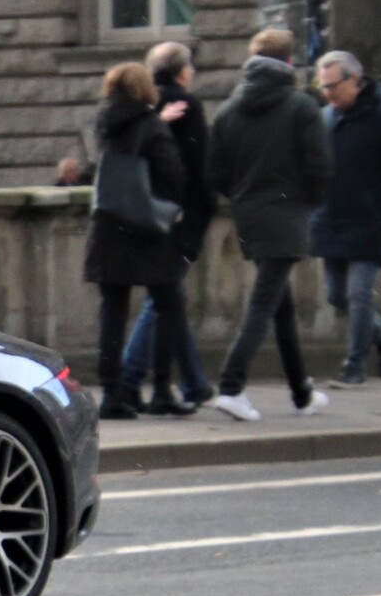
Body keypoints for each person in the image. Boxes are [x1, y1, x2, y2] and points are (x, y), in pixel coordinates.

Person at [206, 31, 332, 422]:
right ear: (289, 62)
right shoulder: (301, 107)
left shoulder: (229, 111)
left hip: (249, 214)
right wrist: (307, 199)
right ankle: (230, 386)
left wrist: (244, 194)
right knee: (263, 305)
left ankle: (301, 393)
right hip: (287, 213)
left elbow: (215, 173)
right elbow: (320, 167)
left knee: (279, 306)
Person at [82, 63, 191, 421]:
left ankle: (112, 393)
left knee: (112, 313)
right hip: (146, 229)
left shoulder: (103, 124)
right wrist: (171, 208)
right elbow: (172, 173)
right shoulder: (151, 124)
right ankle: (161, 388)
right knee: (169, 304)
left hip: (110, 226)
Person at [309, 49, 381, 385]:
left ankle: (354, 366)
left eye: (333, 86)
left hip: (369, 218)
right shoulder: (326, 117)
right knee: (335, 295)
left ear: (354, 80)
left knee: (357, 294)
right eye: (322, 87)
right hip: (330, 217)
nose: (327, 94)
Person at [121, 40, 213, 411]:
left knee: (170, 300)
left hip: (142, 215)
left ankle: (194, 384)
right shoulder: (186, 106)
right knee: (163, 302)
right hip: (177, 217)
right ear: (182, 71)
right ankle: (130, 377)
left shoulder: (139, 106)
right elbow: (196, 167)